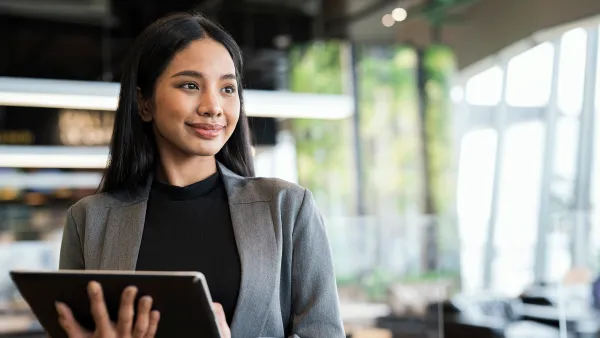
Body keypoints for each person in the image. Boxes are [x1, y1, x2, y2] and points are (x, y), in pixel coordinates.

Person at [56, 12, 345, 338]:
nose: (213, 106)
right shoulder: (89, 220)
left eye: (227, 88)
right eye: (190, 85)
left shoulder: (287, 207)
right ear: (144, 103)